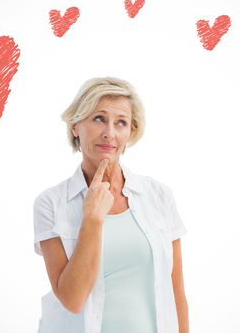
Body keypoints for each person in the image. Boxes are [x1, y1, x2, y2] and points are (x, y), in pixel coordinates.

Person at [33, 77, 189, 333]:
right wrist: (92, 218)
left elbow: (176, 291)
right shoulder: (51, 204)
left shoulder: (159, 196)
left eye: (121, 123)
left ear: (130, 132)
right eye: (98, 119)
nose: (109, 133)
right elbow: (72, 300)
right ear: (75, 126)